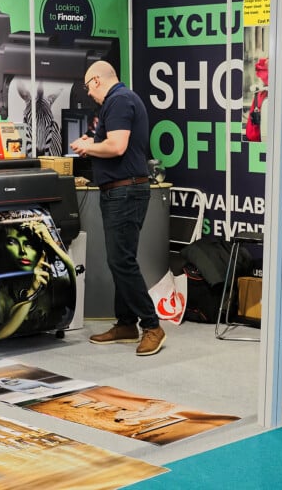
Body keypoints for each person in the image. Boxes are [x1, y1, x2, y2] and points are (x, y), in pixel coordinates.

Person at [69, 60, 165, 356]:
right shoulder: (121, 101)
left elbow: (117, 146)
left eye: (87, 87)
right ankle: (126, 324)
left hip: (125, 191)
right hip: (122, 190)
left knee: (121, 261)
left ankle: (152, 326)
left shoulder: (119, 101)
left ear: (96, 80)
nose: (88, 94)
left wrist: (87, 147)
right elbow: (112, 142)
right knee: (121, 260)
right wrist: (93, 141)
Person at [0, 216, 76, 340]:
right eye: (12, 242)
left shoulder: (54, 287)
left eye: (28, 245)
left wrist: (50, 242)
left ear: (39, 252)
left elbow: (72, 272)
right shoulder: (2, 296)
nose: (22, 251)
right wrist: (32, 291)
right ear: (2, 248)